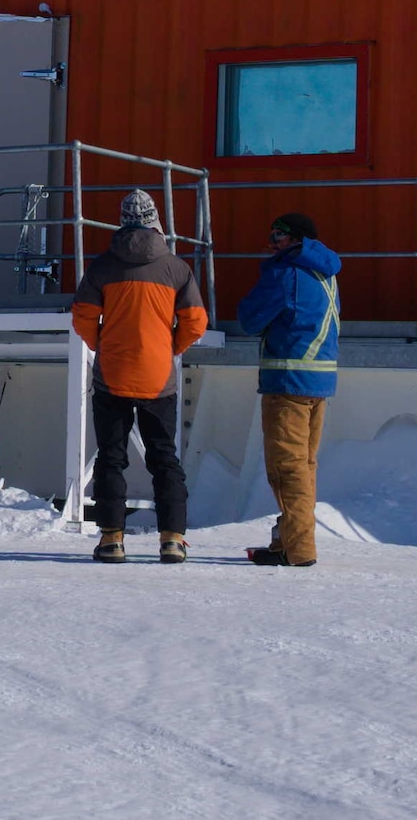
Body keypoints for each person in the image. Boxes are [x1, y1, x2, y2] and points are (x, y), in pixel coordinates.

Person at [69, 188, 208, 562]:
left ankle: (112, 539)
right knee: (164, 456)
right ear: (155, 221)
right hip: (158, 376)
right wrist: (171, 347)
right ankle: (172, 539)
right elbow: (196, 322)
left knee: (111, 457)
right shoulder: (176, 268)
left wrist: (102, 343)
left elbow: (82, 315)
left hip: (112, 374)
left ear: (123, 221)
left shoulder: (102, 267)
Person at [229, 214, 342, 567]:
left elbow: (249, 318)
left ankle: (299, 550)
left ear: (295, 239)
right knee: (304, 466)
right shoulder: (325, 271)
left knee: (287, 469)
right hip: (318, 382)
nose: (272, 241)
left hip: (288, 383)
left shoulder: (286, 273)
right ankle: (287, 541)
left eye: (277, 235)